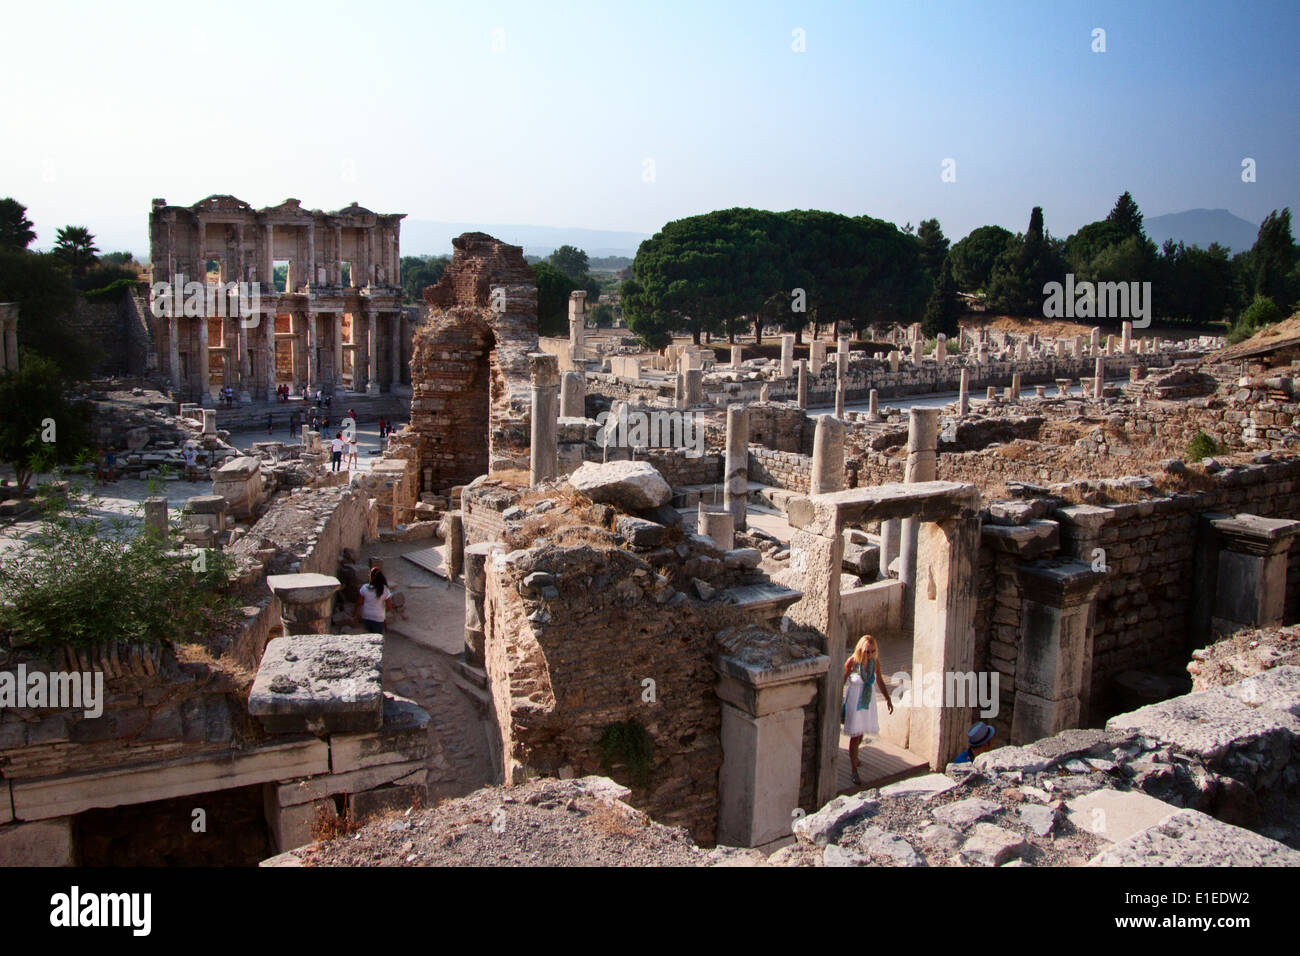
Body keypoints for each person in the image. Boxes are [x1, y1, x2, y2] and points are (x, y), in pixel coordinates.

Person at [842, 634, 894, 786]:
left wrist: (888, 698)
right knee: (855, 734)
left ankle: (854, 757)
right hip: (854, 700)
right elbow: (843, 679)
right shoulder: (852, 662)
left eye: (872, 651)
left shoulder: (874, 663)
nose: (869, 654)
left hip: (867, 702)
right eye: (866, 651)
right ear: (860, 650)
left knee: (861, 733)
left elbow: (879, 680)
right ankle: (853, 770)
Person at [353, 568, 393, 635]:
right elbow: (389, 607)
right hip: (378, 618)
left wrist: (355, 616)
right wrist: (382, 612)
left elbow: (359, 603)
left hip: (366, 616)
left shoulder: (364, 588)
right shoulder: (385, 590)